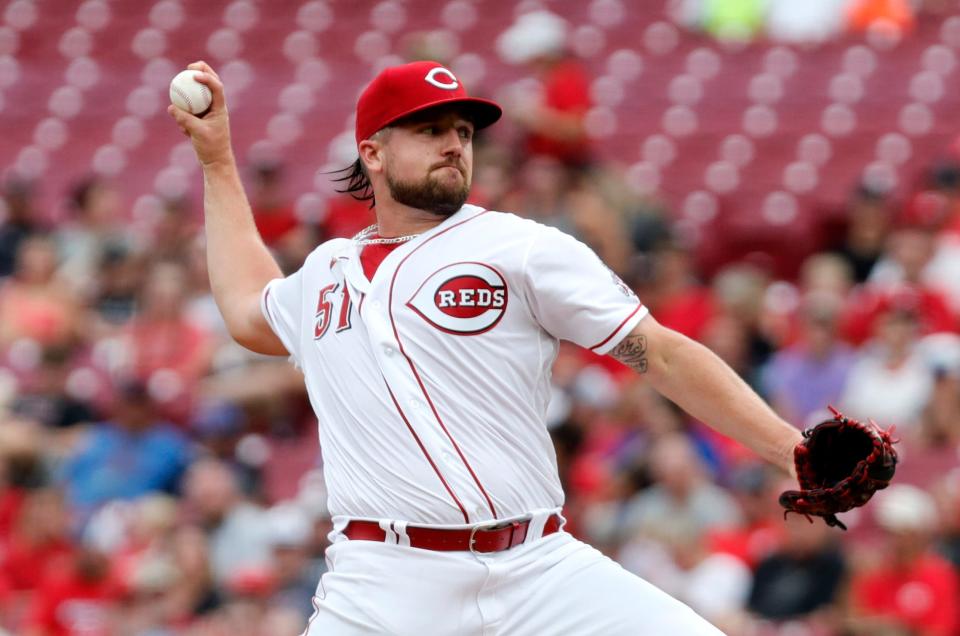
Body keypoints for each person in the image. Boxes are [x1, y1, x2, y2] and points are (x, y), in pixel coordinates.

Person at [168, 59, 803, 635]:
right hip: (384, 584)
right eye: (429, 129)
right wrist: (218, 162)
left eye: (464, 132)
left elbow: (658, 353)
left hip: (539, 569)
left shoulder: (520, 247)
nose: (454, 144)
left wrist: (791, 452)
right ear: (374, 153)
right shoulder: (327, 270)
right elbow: (250, 313)